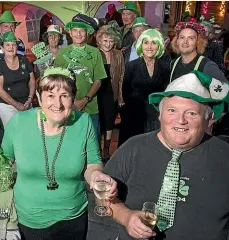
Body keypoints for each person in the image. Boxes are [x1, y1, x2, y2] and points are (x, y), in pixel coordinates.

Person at [104, 70, 229, 240]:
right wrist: (126, 217)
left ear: (208, 119)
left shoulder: (228, 159)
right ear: (159, 114)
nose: (180, 120)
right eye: (172, 110)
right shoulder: (133, 148)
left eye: (192, 113)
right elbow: (104, 197)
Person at [1, 67, 117, 240]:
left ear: (73, 97)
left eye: (64, 96)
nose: (58, 103)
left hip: (72, 219)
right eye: (50, 95)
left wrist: (96, 177)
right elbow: (3, 164)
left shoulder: (82, 123)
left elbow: (93, 163)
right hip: (30, 219)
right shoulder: (19, 124)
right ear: (38, 97)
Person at [54, 16, 107, 139]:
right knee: (70, 140)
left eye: (82, 31)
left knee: (92, 140)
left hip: (91, 107)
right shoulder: (62, 53)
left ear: (87, 33)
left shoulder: (95, 52)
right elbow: (56, 80)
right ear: (70, 33)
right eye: (75, 30)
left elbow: (98, 80)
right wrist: (71, 102)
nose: (78, 34)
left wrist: (85, 99)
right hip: (66, 106)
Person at [119, 29, 170, 147]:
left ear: (159, 46)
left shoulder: (166, 67)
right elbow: (125, 91)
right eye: (146, 42)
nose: (149, 47)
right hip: (134, 116)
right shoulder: (131, 66)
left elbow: (166, 92)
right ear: (141, 45)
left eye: (154, 43)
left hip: (156, 117)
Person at [0, 32, 35, 128]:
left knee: (29, 131)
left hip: (26, 103)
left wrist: (29, 99)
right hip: (8, 106)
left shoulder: (24, 60)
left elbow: (31, 81)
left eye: (13, 44)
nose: (11, 48)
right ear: (2, 48)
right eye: (7, 45)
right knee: (12, 133)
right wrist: (16, 105)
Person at [96, 23, 125, 161]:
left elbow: (121, 78)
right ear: (99, 40)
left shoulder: (119, 55)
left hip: (111, 94)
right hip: (95, 94)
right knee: (97, 124)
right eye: (105, 40)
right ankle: (96, 150)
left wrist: (120, 97)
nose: (108, 44)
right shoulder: (94, 53)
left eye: (111, 41)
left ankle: (106, 149)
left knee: (109, 123)